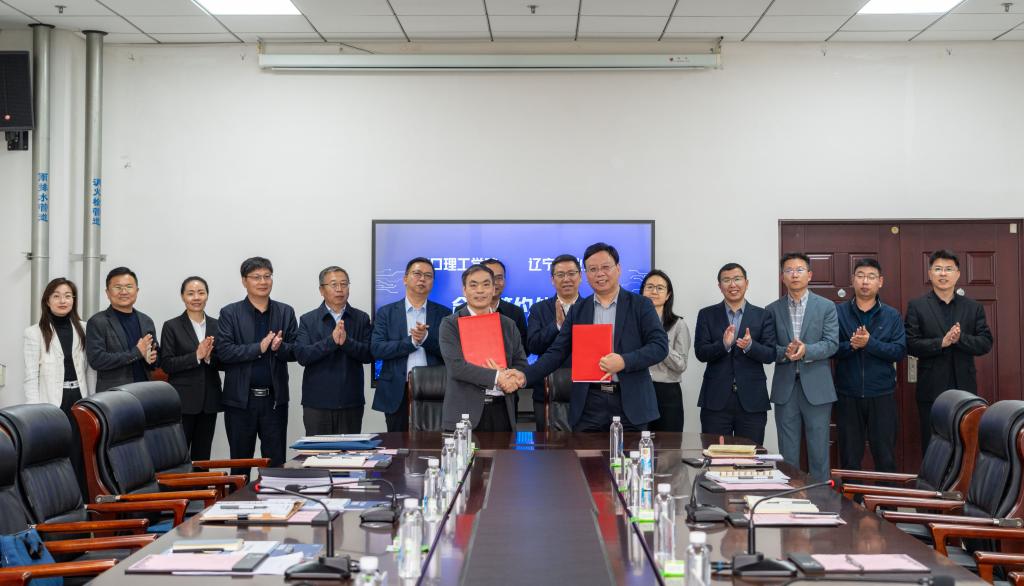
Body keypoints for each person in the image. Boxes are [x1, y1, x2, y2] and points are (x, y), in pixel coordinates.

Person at [519, 242, 668, 431]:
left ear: (618, 268)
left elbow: (659, 346)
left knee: (631, 452)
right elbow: (556, 352)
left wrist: (624, 361)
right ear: (586, 274)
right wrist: (524, 376)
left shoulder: (641, 305)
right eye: (593, 269)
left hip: (631, 403)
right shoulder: (578, 310)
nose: (599, 274)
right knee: (586, 452)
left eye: (605, 267)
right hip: (589, 404)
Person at [906, 249, 992, 454]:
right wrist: (941, 343)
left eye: (948, 269)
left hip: (965, 387)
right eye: (938, 269)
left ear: (958, 274)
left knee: (965, 443)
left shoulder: (973, 307)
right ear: (930, 274)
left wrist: (960, 339)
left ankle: (963, 477)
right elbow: (911, 343)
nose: (943, 274)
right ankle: (933, 477)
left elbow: (985, 342)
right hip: (930, 389)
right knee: (932, 444)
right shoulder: (917, 306)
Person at [216, 257, 297, 473]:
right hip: (240, 402)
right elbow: (224, 352)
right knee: (240, 466)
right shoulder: (229, 313)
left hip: (274, 401)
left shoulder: (285, 312)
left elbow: (296, 351)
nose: (263, 282)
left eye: (267, 276)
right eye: (256, 277)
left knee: (276, 466)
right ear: (244, 281)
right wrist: (258, 348)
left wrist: (280, 347)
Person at [767, 253, 839, 482]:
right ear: (782, 277)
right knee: (787, 454)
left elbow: (832, 343)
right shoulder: (772, 309)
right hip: (786, 389)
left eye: (799, 270)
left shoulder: (826, 307)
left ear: (809, 275)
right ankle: (790, 497)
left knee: (819, 452)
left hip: (817, 388)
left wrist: (806, 350)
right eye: (789, 270)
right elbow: (769, 348)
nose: (794, 275)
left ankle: (821, 499)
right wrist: (785, 352)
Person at [23, 277, 95, 496]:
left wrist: (93, 401)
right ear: (47, 301)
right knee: (56, 454)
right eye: (56, 296)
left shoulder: (84, 328)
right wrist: (34, 412)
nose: (62, 301)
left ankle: (82, 502)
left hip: (80, 399)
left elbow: (90, 370)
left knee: (80, 453)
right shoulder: (34, 333)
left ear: (74, 300)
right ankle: (59, 500)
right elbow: (31, 376)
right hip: (52, 402)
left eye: (67, 296)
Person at [833, 259, 906, 472]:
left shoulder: (892, 315)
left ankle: (885, 495)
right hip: (848, 395)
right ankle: (851, 495)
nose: (865, 281)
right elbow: (831, 348)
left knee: (885, 457)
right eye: (861, 276)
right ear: (852, 280)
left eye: (871, 277)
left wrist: (869, 343)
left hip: (882, 395)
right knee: (849, 459)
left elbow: (899, 351)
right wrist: (852, 346)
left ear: (880, 281)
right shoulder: (838, 312)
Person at [693, 263, 776, 446]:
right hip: (715, 400)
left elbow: (770, 354)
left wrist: (750, 346)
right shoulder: (706, 314)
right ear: (719, 285)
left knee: (749, 456)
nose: (732, 284)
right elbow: (700, 352)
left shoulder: (763, 315)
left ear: (746, 283)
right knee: (715, 455)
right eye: (726, 280)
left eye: (737, 279)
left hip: (752, 401)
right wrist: (723, 344)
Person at [440, 264, 528, 432]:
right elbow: (456, 367)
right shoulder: (450, 324)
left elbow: (521, 363)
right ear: (464, 290)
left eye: (486, 284)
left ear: (494, 289)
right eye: (473, 285)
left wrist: (517, 378)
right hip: (464, 415)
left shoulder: (508, 324)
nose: (480, 290)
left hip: (502, 411)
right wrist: (498, 377)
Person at [371, 257, 451, 432]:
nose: (422, 279)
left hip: (434, 389)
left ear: (433, 282)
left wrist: (425, 339)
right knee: (396, 442)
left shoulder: (444, 313)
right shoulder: (386, 312)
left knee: (432, 443)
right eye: (417, 274)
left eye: (428, 276)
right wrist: (412, 342)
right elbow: (377, 349)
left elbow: (449, 352)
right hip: (396, 388)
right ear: (405, 279)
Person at [295, 266, 373, 435]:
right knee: (318, 451)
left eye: (344, 284)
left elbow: (369, 354)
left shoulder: (361, 318)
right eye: (334, 284)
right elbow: (302, 355)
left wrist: (346, 342)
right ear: (321, 290)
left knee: (350, 450)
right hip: (317, 403)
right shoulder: (308, 320)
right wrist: (331, 342)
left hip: (350, 402)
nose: (339, 289)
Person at [158, 276, 223, 461]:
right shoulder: (171, 326)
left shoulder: (217, 325)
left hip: (209, 401)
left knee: (203, 457)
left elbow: (226, 361)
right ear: (183, 296)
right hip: (183, 401)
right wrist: (196, 356)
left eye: (201, 293)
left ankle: (202, 482)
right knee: (178, 456)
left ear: (207, 295)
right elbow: (167, 364)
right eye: (191, 293)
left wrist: (209, 358)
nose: (196, 297)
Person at [525, 253, 581, 430]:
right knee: (547, 444)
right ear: (552, 279)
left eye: (571, 273)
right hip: (546, 391)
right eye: (560, 274)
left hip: (583, 391)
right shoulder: (539, 309)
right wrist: (557, 326)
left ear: (580, 276)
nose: (566, 279)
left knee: (585, 444)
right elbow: (533, 345)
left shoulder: (590, 307)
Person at [86, 267, 158, 392]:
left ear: (137, 291)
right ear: (108, 292)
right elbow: (97, 360)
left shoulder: (146, 321)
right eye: (118, 287)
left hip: (144, 391)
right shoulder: (97, 322)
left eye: (129, 287)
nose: (124, 291)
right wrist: (136, 353)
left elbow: (155, 357)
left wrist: (151, 359)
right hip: (114, 394)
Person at [641, 270, 691, 432]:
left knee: (669, 445)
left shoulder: (678, 325)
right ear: (642, 291)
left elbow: (681, 365)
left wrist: (661, 344)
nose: (654, 291)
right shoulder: (633, 323)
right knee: (636, 443)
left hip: (667, 394)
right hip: (638, 390)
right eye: (649, 287)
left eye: (660, 288)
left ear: (668, 295)